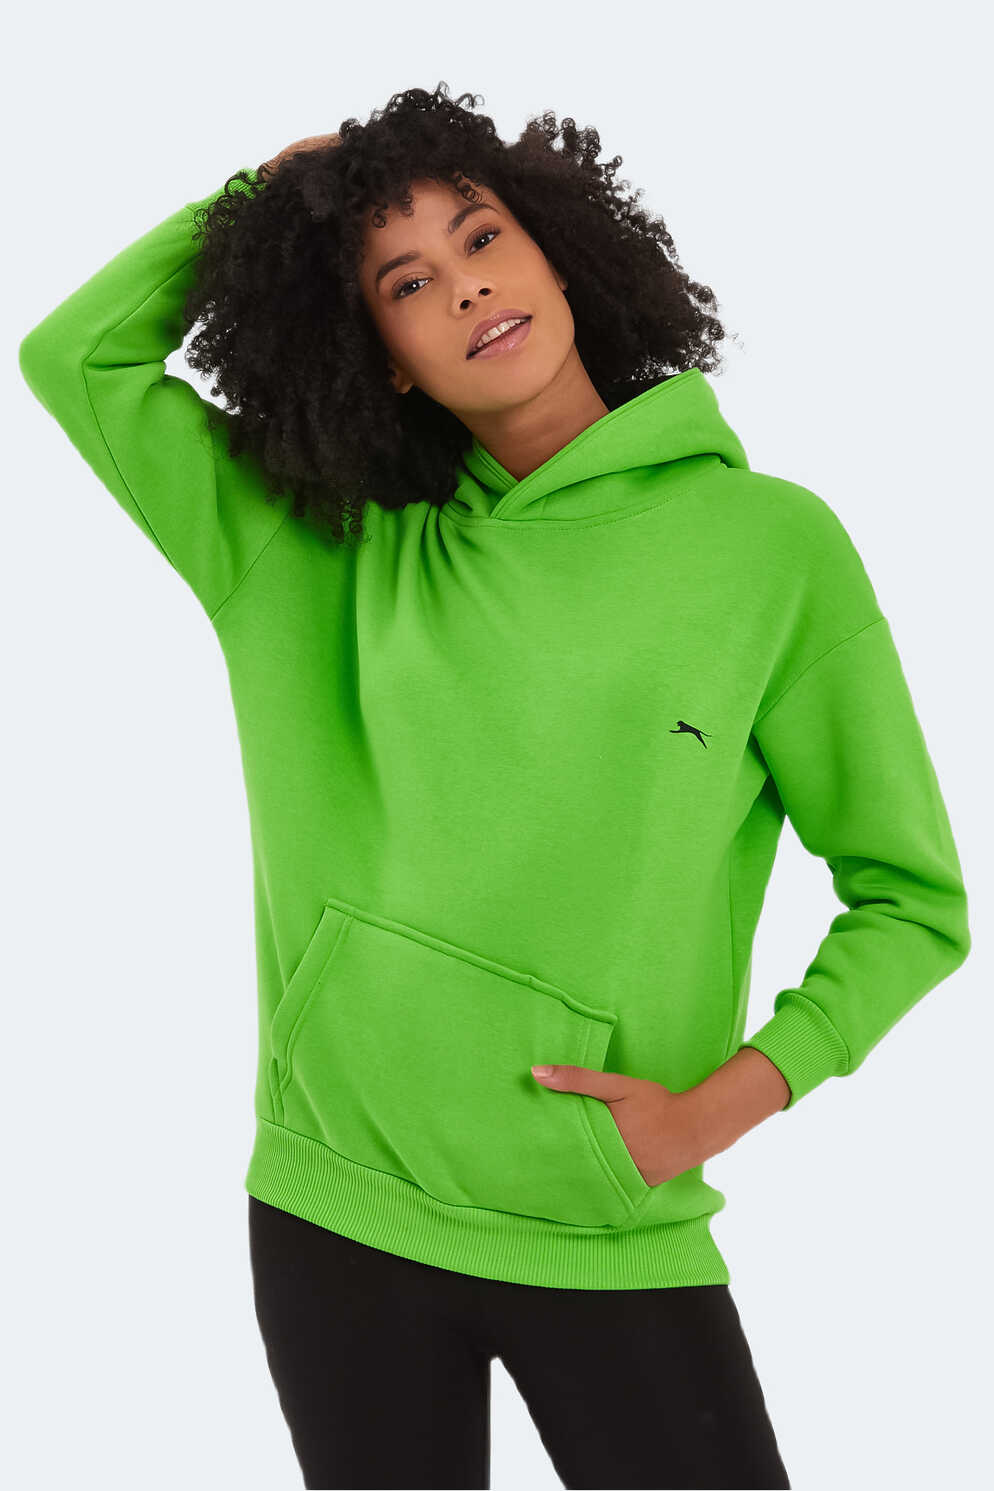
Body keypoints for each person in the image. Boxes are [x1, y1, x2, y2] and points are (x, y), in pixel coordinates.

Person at [18, 82, 970, 1491]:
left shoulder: (769, 552)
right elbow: (75, 360)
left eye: (480, 238)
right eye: (405, 283)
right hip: (338, 1218)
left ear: (557, 255)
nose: (464, 288)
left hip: (606, 1230)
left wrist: (721, 1108)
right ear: (384, 359)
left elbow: (912, 902)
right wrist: (258, 201)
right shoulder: (312, 553)